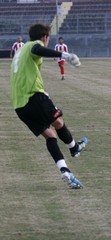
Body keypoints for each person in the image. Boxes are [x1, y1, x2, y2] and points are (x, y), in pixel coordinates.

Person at [10, 24, 87, 189]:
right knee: (58, 122)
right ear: (44, 37)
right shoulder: (31, 46)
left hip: (19, 106)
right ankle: (75, 148)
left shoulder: (20, 51)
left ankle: (65, 170)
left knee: (50, 136)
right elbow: (37, 49)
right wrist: (64, 55)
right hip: (34, 97)